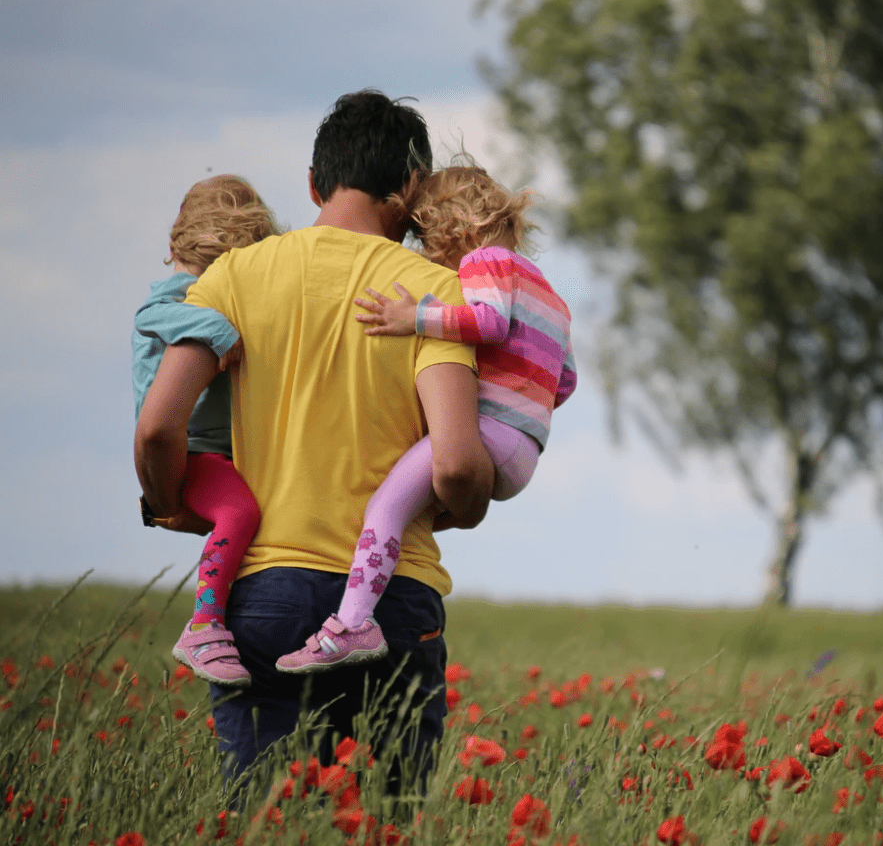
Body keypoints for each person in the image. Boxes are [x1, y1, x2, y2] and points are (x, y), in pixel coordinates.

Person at [134, 90, 494, 784]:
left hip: (262, 592)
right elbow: (454, 464)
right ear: (412, 189)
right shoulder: (433, 293)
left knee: (266, 820)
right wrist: (468, 504)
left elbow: (157, 426)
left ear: (312, 183)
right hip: (392, 599)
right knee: (389, 823)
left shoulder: (232, 277)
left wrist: (173, 502)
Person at [275, 163, 577, 674]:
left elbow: (488, 322)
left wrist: (413, 317)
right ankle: (372, 597)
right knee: (412, 508)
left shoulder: (485, 262)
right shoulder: (550, 293)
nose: (427, 255)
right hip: (525, 448)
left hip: (489, 434)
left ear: (452, 227)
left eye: (425, 238)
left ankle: (351, 624)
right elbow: (564, 381)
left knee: (384, 508)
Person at [132, 174, 279, 688]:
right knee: (240, 512)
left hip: (216, 453)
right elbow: (152, 313)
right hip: (193, 453)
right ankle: (204, 624)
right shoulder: (180, 295)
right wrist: (221, 332)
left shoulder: (202, 289)